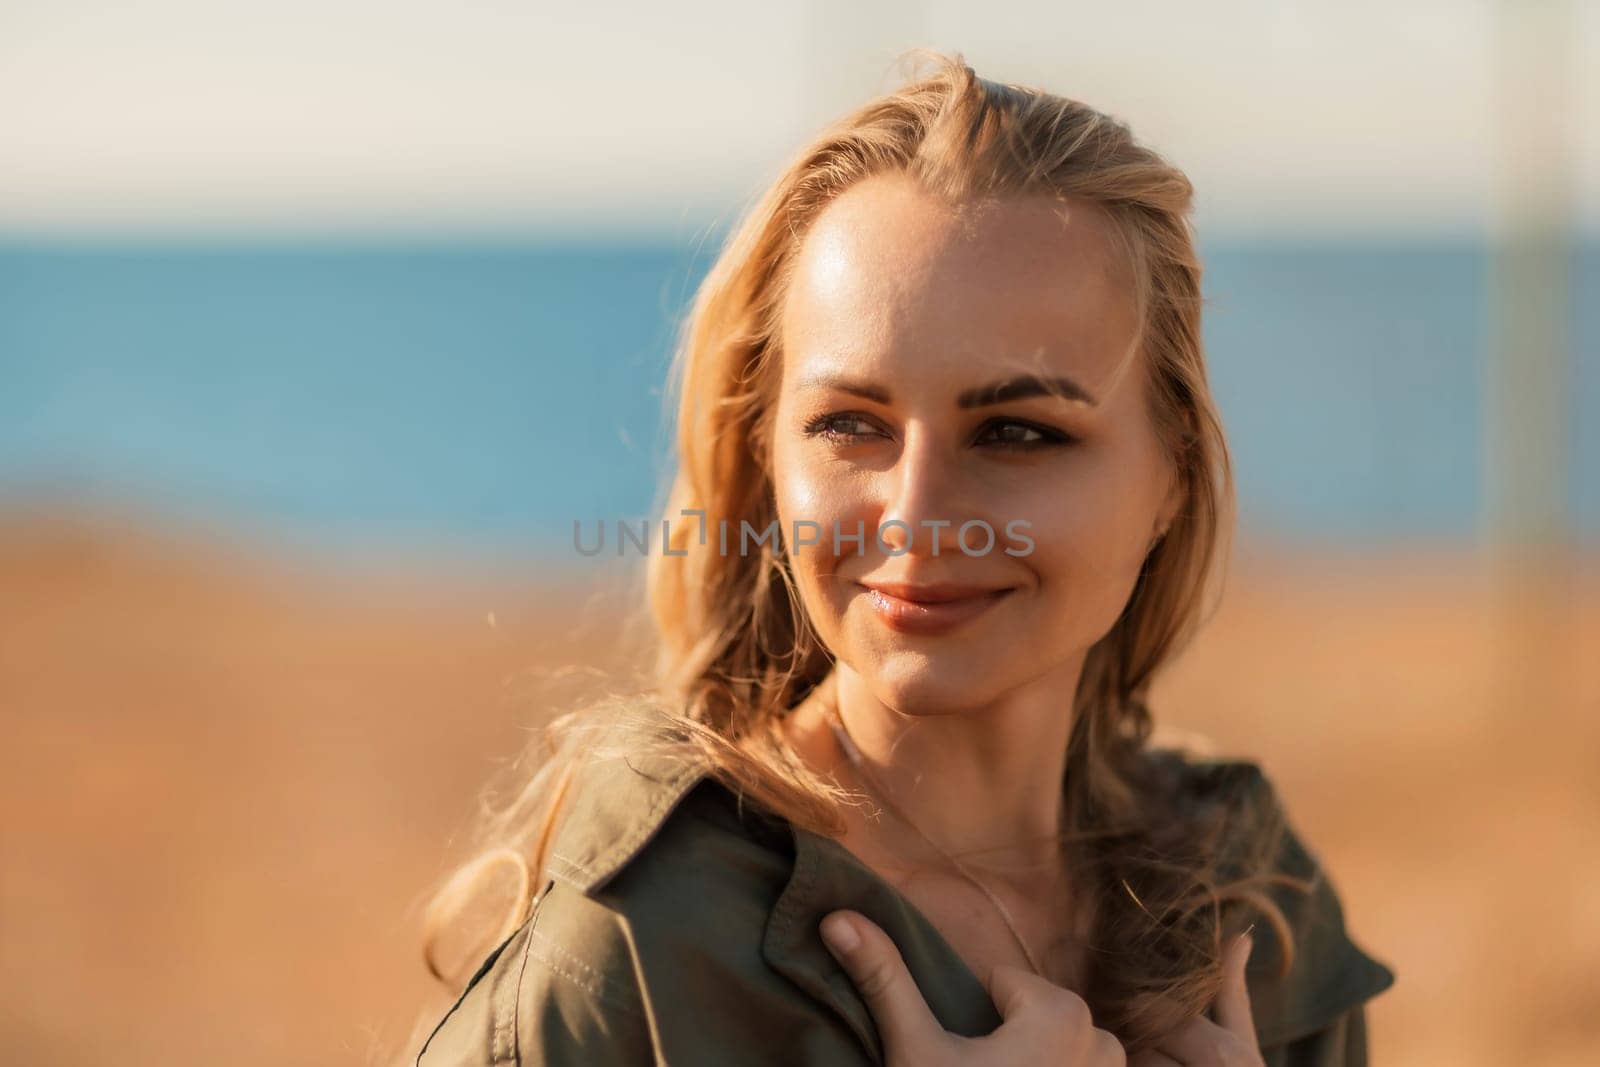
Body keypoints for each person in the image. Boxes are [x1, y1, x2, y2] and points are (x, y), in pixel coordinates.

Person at [399, 49, 1395, 1067]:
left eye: (1017, 431)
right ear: (765, 454)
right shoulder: (647, 946)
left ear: (1170, 475)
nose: (916, 518)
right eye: (848, 424)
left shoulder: (1251, 913)